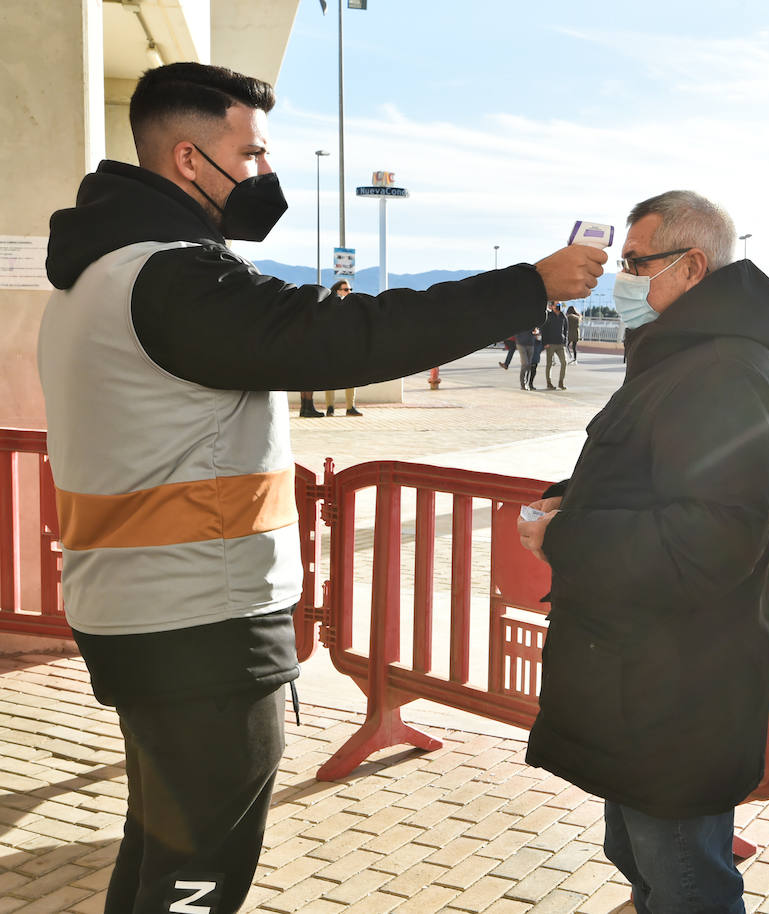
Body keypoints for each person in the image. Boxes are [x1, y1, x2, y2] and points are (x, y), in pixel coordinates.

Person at [36, 61, 604, 914]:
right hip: (200, 626)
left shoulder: (98, 275)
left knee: (160, 848)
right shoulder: (170, 278)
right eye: (254, 155)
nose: (265, 175)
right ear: (190, 161)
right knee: (198, 876)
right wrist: (527, 287)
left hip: (140, 615)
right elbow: (345, 337)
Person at [517, 190, 769, 914]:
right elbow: (646, 476)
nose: (622, 279)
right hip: (641, 678)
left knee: (681, 876)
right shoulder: (683, 360)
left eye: (637, 263)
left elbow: (706, 542)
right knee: (638, 854)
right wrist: (570, 498)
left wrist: (565, 535)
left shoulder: (724, 373)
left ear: (693, 266)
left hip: (677, 689)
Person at [323, 279, 361, 416]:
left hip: (349, 346)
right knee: (330, 378)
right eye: (346, 289)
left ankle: (350, 407)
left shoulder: (352, 306)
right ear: (338, 291)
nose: (349, 292)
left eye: (350, 289)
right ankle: (330, 408)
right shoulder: (330, 305)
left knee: (351, 377)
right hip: (333, 346)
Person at [541, 301, 569, 390]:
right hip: (550, 344)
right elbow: (544, 330)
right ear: (552, 306)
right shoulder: (549, 316)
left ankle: (561, 382)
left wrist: (565, 341)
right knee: (549, 364)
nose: (558, 306)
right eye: (556, 305)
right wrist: (545, 343)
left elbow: (566, 329)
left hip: (560, 344)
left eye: (559, 304)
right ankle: (549, 383)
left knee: (564, 362)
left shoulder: (563, 316)